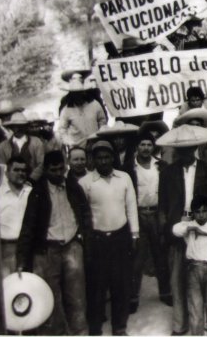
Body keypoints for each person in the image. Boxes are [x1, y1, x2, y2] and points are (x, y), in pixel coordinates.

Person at [17, 150, 90, 335]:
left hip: (72, 246)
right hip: (48, 250)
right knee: (51, 297)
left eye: (60, 169)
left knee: (77, 295)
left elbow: (85, 213)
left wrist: (83, 237)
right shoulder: (38, 193)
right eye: (53, 170)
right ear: (46, 170)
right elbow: (28, 227)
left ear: (65, 167)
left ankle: (80, 332)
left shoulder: (73, 187)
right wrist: (22, 259)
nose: (58, 173)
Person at [157, 125, 207, 336]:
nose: (185, 152)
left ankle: (202, 325)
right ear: (176, 150)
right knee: (177, 278)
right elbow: (163, 206)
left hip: (201, 225)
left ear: (195, 148)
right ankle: (179, 325)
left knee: (201, 276)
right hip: (178, 227)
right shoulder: (167, 172)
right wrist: (168, 230)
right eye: (181, 149)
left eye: (189, 148)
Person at [77, 141, 138, 336]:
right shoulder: (85, 182)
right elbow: (82, 214)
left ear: (113, 158)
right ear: (93, 160)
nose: (103, 161)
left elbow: (131, 207)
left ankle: (119, 327)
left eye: (106, 157)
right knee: (97, 287)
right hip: (97, 240)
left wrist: (134, 233)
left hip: (120, 237)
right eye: (99, 158)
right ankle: (95, 328)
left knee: (120, 284)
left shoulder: (124, 178)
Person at [127, 132, 172, 311]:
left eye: (149, 144)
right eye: (142, 144)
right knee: (137, 259)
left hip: (157, 214)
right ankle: (132, 298)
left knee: (161, 256)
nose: (145, 148)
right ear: (137, 147)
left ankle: (166, 293)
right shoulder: (130, 167)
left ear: (154, 147)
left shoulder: (161, 166)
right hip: (138, 214)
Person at [171, 195, 207, 336]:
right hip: (193, 270)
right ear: (193, 213)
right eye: (197, 212)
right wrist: (191, 228)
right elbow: (175, 229)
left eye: (204, 211)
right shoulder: (189, 228)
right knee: (195, 305)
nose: (201, 215)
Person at [0, 157, 32, 278]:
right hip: (6, 248)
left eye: (23, 170)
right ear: (7, 172)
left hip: (29, 247)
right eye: (16, 170)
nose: (20, 173)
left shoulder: (32, 192)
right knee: (8, 285)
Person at [57, 73, 108, 147]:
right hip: (77, 146)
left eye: (79, 93)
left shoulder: (94, 104)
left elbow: (102, 120)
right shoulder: (66, 110)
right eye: (74, 94)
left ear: (84, 92)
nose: (77, 96)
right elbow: (62, 129)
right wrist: (69, 142)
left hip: (95, 143)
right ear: (71, 94)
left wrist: (100, 135)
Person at [0, 111, 46, 182]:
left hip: (33, 182)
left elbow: (41, 163)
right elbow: (3, 167)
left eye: (22, 126)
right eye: (16, 126)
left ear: (26, 127)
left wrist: (31, 179)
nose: (19, 128)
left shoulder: (36, 142)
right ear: (12, 127)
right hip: (11, 183)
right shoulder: (3, 146)